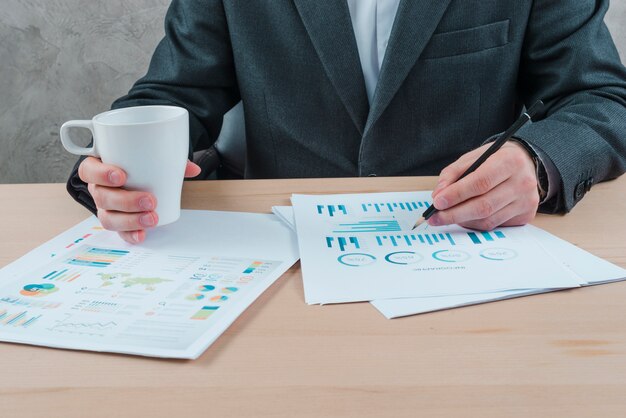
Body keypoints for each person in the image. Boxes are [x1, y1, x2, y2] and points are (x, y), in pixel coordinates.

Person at [67, 0, 626, 244]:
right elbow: (175, 93)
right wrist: (119, 173)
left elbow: (602, 97)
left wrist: (538, 160)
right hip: (282, 256)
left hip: (467, 248)